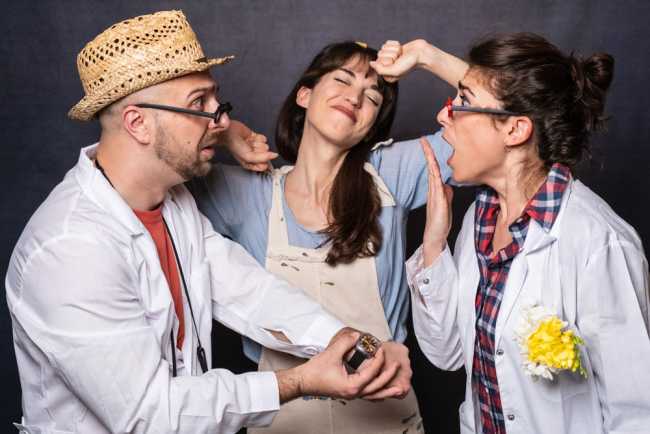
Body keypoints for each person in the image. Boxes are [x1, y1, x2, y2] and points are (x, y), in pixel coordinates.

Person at [5, 11, 413, 434]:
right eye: (199, 103)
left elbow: (251, 293)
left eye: (216, 102)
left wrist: (356, 345)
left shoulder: (174, 204)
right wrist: (297, 381)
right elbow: (152, 416)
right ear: (138, 123)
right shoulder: (71, 248)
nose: (223, 121)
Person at [373, 35, 650, 433]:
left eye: (461, 101)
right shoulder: (480, 218)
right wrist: (434, 244)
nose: (443, 116)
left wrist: (429, 57)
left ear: (516, 130)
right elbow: (447, 353)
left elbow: (637, 414)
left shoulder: (599, 242)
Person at [189, 40, 460, 434]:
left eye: (372, 96)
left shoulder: (392, 174)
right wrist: (226, 132)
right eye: (342, 80)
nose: (355, 97)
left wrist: (427, 56)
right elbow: (154, 162)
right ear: (304, 94)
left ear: (373, 123)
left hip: (386, 420)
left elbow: (510, 117)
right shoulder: (247, 193)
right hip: (282, 423)